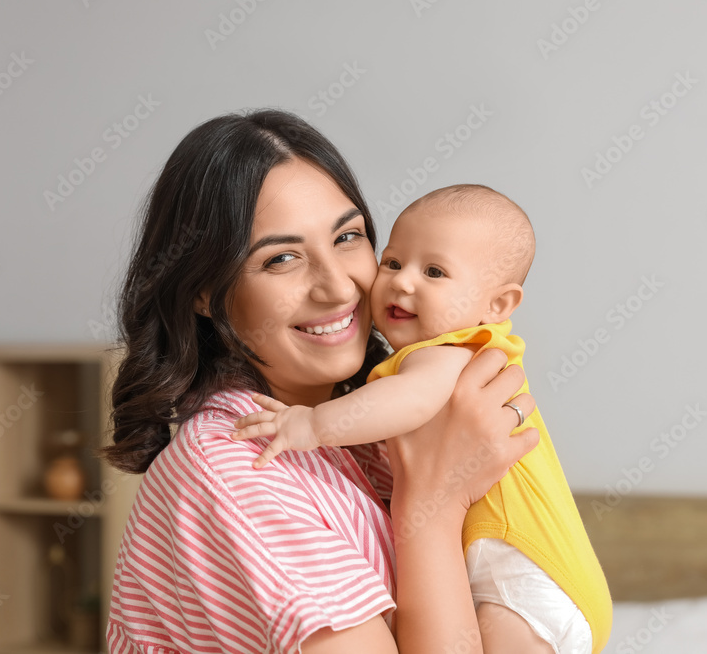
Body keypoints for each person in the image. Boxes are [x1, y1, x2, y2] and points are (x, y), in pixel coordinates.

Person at [99, 109, 540, 654]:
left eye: (348, 237)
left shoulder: (368, 432)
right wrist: (434, 506)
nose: (338, 288)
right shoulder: (235, 470)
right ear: (204, 291)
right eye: (282, 258)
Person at [233, 185, 613, 654]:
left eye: (434, 271)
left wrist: (311, 425)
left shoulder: (452, 352)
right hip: (532, 573)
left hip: (526, 571)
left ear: (496, 305)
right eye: (392, 262)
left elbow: (409, 401)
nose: (402, 282)